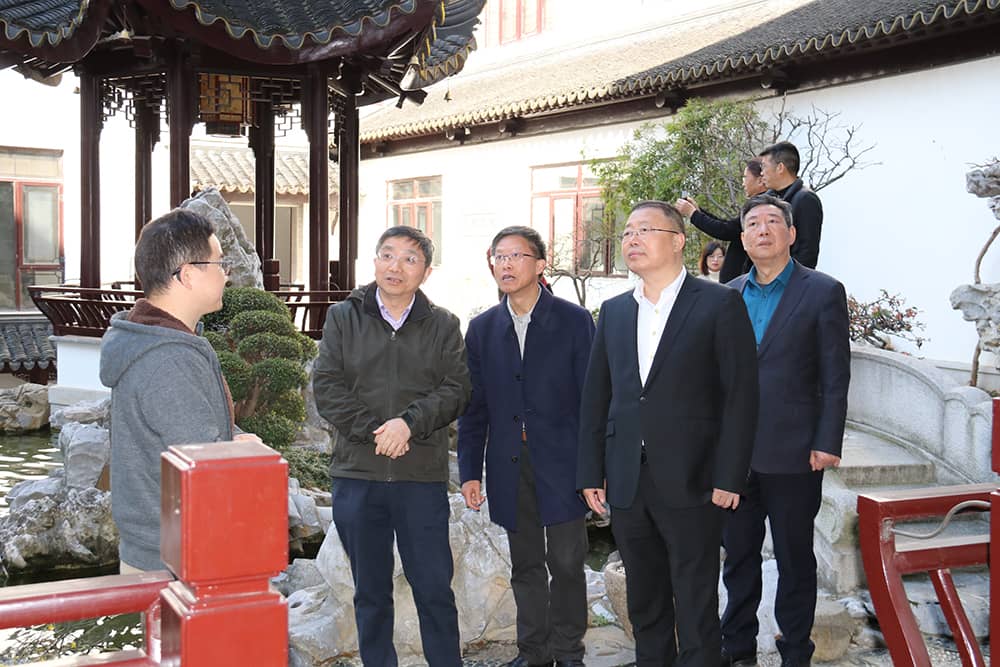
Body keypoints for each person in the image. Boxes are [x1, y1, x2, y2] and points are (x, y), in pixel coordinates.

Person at [577, 201, 759, 666]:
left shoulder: (719, 303)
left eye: (644, 229)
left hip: (695, 478)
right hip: (627, 478)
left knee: (696, 603)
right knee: (645, 602)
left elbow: (740, 396)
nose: (631, 239)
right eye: (627, 232)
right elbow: (598, 396)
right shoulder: (614, 311)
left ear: (678, 240)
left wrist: (730, 476)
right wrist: (591, 471)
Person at [312, 225, 471, 667]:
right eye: (387, 255)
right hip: (357, 475)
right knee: (370, 592)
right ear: (375, 261)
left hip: (420, 478)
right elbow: (327, 386)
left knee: (434, 587)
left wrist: (408, 425)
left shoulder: (443, 325)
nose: (395, 266)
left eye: (409, 259)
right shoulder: (344, 317)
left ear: (426, 271)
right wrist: (377, 432)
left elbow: (456, 389)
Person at [720, 195, 850, 667]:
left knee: (795, 558)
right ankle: (737, 648)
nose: (763, 229)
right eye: (753, 223)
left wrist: (827, 440)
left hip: (795, 451)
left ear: (791, 234)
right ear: (742, 238)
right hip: (734, 456)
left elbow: (835, 374)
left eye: (773, 221)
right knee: (738, 557)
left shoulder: (822, 291)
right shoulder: (727, 294)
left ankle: (795, 651)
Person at [459, 226, 595, 667]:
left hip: (564, 462)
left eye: (516, 256)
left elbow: (593, 399)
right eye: (499, 256)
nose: (506, 264)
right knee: (526, 564)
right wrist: (469, 471)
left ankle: (569, 651)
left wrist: (595, 467)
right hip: (508, 463)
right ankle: (533, 652)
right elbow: (474, 408)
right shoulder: (482, 328)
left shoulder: (574, 321)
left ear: (539, 265)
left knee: (568, 562)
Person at [99, 208, 260, 572]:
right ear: (188, 275)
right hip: (176, 557)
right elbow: (204, 461)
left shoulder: (158, 341)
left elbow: (187, 433)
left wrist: (234, 436)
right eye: (219, 263)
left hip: (165, 547)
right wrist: (241, 450)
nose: (226, 274)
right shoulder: (167, 358)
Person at [675, 157, 767, 283]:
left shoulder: (760, 206)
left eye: (745, 177)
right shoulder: (758, 203)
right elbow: (728, 226)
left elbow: (726, 231)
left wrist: (693, 214)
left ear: (760, 180)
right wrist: (698, 211)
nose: (743, 183)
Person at [758, 141, 823, 268]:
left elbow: (807, 251)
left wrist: (788, 278)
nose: (761, 173)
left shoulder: (806, 199)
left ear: (780, 168)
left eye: (764, 166)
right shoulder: (766, 200)